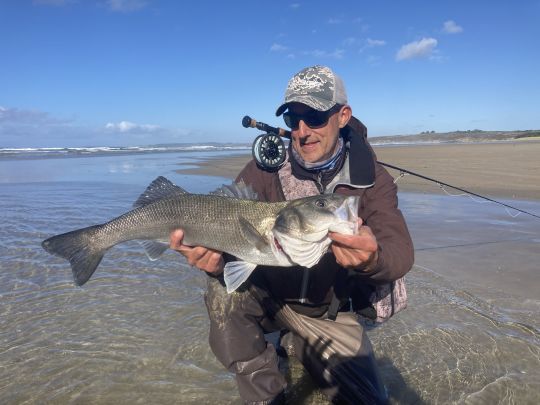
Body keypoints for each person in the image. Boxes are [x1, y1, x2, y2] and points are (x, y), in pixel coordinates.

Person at [170, 65, 414, 404]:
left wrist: (372, 259)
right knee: (222, 293)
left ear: (342, 116)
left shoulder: (373, 179)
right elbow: (230, 230)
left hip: (325, 313)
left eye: (314, 117)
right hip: (268, 296)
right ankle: (266, 394)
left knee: (368, 400)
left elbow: (399, 250)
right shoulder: (266, 169)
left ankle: (295, 342)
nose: (302, 132)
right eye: (292, 119)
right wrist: (213, 262)